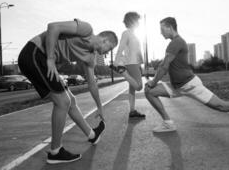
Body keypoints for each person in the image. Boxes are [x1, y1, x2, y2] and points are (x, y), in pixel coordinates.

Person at [144, 17, 229, 133]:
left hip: (189, 85)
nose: (160, 32)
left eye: (162, 29)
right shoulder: (175, 43)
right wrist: (153, 84)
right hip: (176, 86)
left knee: (222, 106)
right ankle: (168, 123)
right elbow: (166, 65)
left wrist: (154, 81)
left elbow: (164, 65)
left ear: (169, 27)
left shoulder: (176, 42)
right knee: (149, 91)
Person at [18, 18, 118, 164]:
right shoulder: (86, 30)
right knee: (63, 102)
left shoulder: (91, 58)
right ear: (104, 40)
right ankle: (55, 152)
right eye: (109, 49)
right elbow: (53, 27)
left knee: (71, 101)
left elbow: (92, 83)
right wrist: (51, 59)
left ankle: (92, 135)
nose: (107, 53)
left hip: (44, 60)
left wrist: (100, 107)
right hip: (35, 52)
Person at [110, 12, 146, 119]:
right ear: (132, 21)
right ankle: (123, 72)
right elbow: (121, 47)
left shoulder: (134, 34)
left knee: (132, 88)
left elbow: (137, 51)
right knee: (139, 87)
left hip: (135, 63)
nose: (139, 22)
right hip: (131, 63)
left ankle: (132, 111)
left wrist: (140, 65)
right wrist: (116, 63)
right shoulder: (126, 33)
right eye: (137, 20)